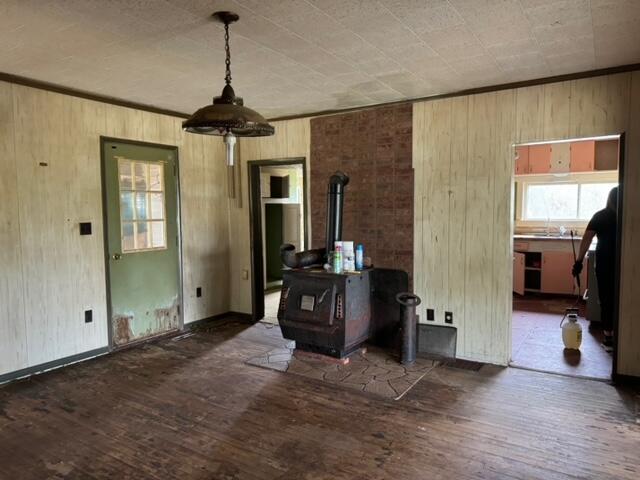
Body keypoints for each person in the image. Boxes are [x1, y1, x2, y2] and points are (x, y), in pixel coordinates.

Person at [572, 186, 618, 352]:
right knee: (620, 299)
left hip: (605, 262)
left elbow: (586, 239)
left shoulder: (600, 216)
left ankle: (609, 338)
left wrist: (579, 262)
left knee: (606, 298)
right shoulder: (628, 213)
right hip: (625, 263)